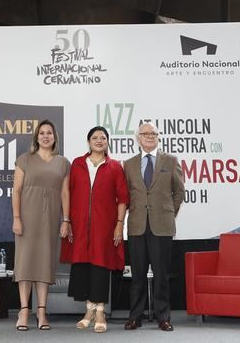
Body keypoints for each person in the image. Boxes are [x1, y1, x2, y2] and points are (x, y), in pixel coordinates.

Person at [60, 126, 129, 333]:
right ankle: (89, 310)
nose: (99, 140)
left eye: (103, 137)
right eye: (95, 137)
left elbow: (123, 198)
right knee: (84, 268)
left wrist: (119, 224)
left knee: (100, 266)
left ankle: (99, 313)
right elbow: (68, 194)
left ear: (108, 142)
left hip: (105, 227)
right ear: (88, 142)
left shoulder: (115, 167)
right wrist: (68, 221)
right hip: (80, 226)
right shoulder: (78, 164)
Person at [123, 122, 185, 332]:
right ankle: (135, 317)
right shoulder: (128, 164)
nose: (149, 136)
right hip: (137, 226)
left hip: (162, 226)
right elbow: (126, 195)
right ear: (137, 138)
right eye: (145, 133)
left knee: (161, 275)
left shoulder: (170, 160)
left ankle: (163, 317)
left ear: (158, 137)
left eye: (153, 133)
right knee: (137, 276)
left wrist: (169, 213)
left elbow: (179, 192)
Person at [11, 119, 71, 331]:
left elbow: (65, 193)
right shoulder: (24, 159)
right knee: (25, 263)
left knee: (45, 264)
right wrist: (16, 218)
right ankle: (24, 311)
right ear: (36, 137)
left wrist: (66, 220)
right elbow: (16, 191)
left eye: (49, 133)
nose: (46, 136)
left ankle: (42, 313)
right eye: (42, 133)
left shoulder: (63, 162)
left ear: (55, 137)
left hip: (52, 219)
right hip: (27, 218)